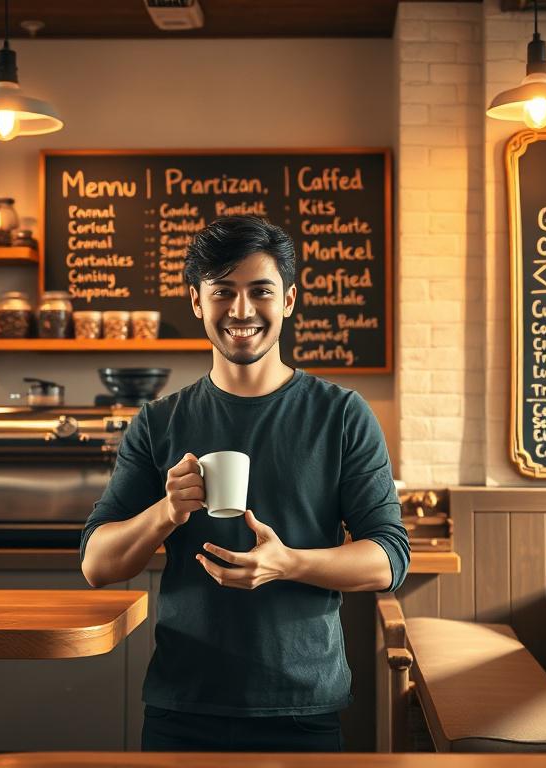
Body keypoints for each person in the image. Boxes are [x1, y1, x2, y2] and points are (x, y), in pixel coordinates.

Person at [80, 215, 409, 752]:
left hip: (304, 706)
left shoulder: (342, 415)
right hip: (183, 705)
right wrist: (166, 511)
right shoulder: (158, 422)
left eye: (260, 291)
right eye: (222, 292)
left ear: (288, 300)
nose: (240, 310)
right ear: (195, 301)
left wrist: (288, 563)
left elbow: (390, 557)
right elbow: (97, 565)